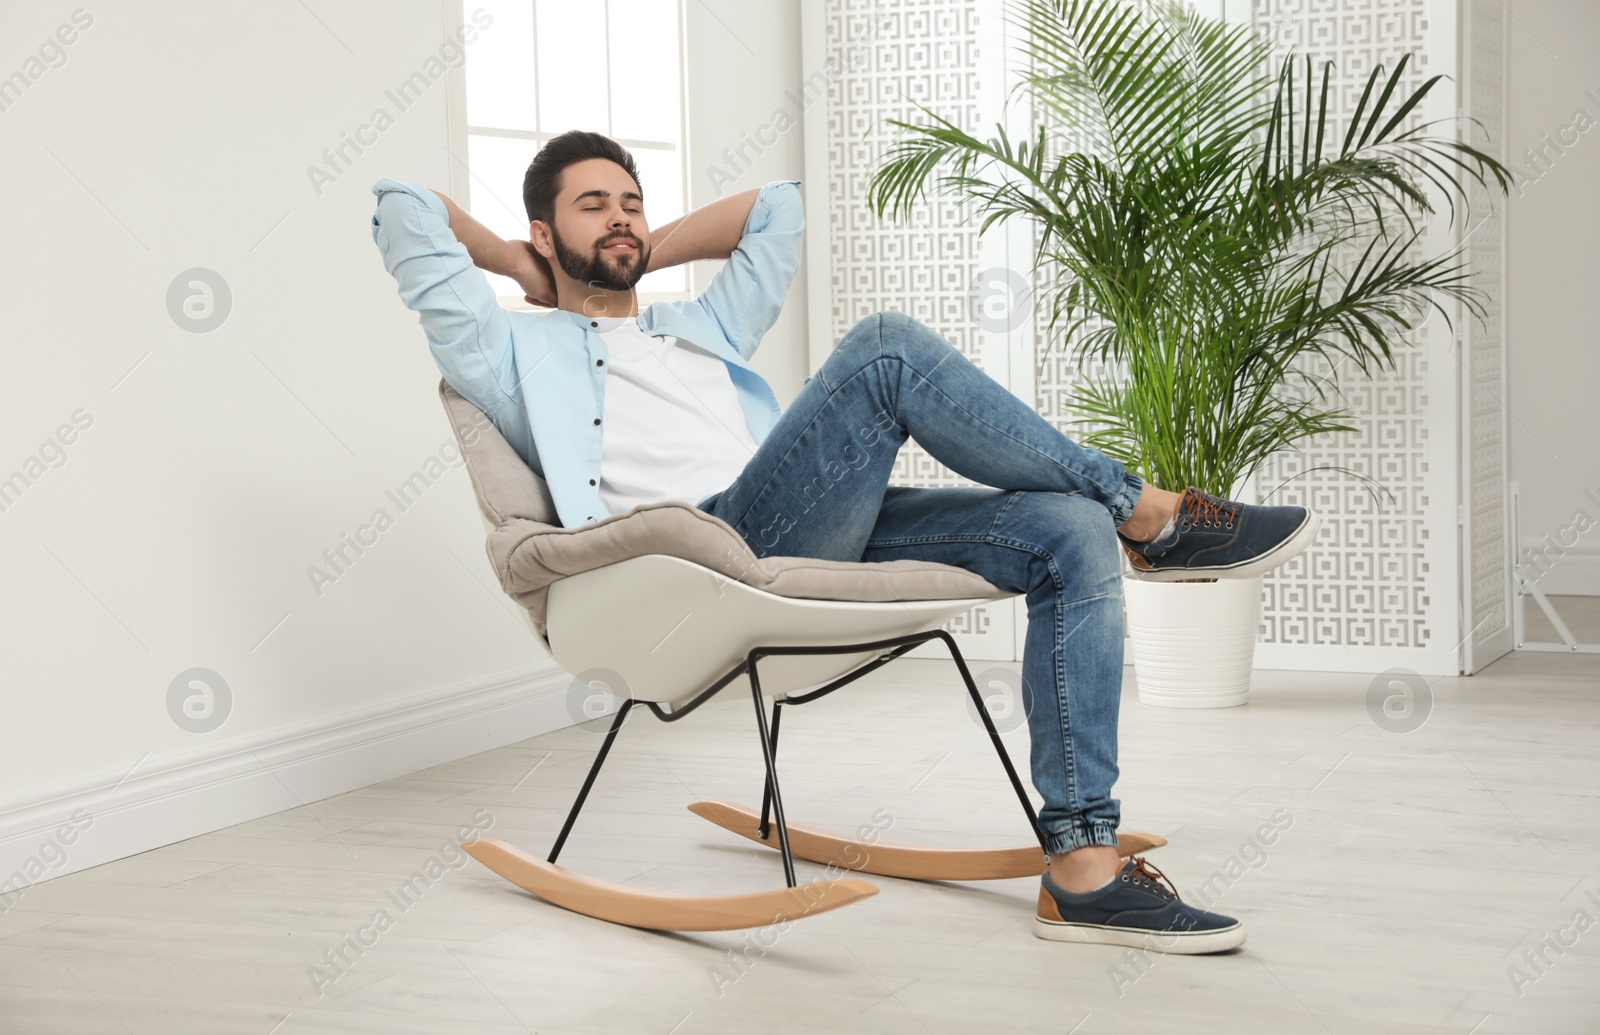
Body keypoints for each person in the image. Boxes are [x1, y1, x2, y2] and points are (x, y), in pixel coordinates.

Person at [370, 130, 1320, 955]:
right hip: (706, 556)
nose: (619, 218)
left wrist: (641, 250)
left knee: (1065, 529)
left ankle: (1081, 866)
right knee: (886, 350)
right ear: (545, 230)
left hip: (808, 532)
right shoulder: (510, 352)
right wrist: (520, 265)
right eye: (591, 208)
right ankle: (1149, 512)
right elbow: (403, 213)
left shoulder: (693, 327)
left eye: (632, 203)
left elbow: (774, 211)